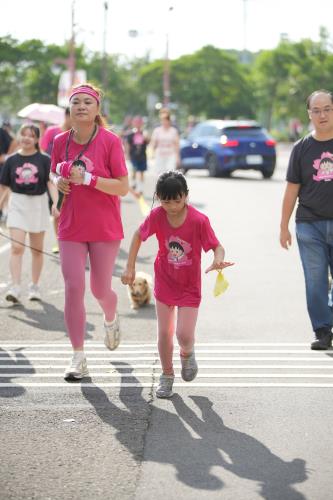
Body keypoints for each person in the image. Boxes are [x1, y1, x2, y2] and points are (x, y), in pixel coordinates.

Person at [121, 170, 233, 398]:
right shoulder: (156, 216)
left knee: (183, 334)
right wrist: (130, 267)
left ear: (186, 196)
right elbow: (137, 236)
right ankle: (167, 375)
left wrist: (218, 259)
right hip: (165, 281)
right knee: (164, 333)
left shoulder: (198, 220)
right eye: (165, 201)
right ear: (158, 197)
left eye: (177, 200)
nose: (171, 206)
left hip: (189, 286)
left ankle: (187, 353)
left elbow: (216, 246)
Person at [49, 83, 129, 381]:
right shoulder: (60, 141)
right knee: (73, 287)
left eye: (87, 102)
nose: (81, 106)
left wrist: (89, 179)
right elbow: (55, 171)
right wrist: (59, 180)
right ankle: (78, 356)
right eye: (76, 102)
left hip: (104, 226)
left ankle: (110, 317)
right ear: (69, 109)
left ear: (97, 110)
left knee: (99, 289)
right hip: (70, 224)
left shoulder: (109, 141)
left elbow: (122, 186)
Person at [280, 89, 333, 350]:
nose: (322, 115)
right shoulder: (301, 148)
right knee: (315, 281)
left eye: (327, 109)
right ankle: (322, 330)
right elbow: (292, 188)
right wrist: (283, 226)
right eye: (316, 110)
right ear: (308, 114)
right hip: (308, 224)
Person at [0, 124, 58, 303]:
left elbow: (50, 183)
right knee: (17, 248)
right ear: (19, 136)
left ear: (37, 139)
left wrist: (56, 203)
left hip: (38, 205)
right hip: (17, 203)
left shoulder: (44, 159)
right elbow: (5, 186)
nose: (26, 138)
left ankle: (34, 286)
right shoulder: (11, 160)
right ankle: (16, 287)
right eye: (23, 134)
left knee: (37, 250)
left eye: (31, 135)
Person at [40, 107, 71, 253]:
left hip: (72, 179)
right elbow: (42, 149)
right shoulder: (52, 131)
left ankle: (73, 241)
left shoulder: (79, 134)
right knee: (56, 211)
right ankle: (59, 242)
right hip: (53, 178)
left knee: (72, 212)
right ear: (66, 116)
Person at [150, 108, 180, 175]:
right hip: (160, 155)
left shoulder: (174, 131)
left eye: (166, 120)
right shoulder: (157, 131)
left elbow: (177, 144)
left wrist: (178, 157)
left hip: (171, 155)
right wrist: (152, 153)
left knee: (170, 175)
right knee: (160, 175)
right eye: (163, 120)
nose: (164, 122)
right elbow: (153, 143)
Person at [125, 115, 149, 195]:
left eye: (139, 122)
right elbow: (127, 144)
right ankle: (133, 184)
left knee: (142, 172)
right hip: (133, 156)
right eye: (136, 122)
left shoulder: (144, 133)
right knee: (134, 170)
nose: (138, 124)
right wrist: (127, 154)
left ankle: (141, 188)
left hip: (142, 155)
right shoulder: (131, 134)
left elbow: (148, 141)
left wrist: (146, 137)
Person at [0, 121, 18, 221]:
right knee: (5, 190)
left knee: (5, 190)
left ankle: (4, 212)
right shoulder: (9, 136)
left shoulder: (8, 136)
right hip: (5, 166)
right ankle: (4, 212)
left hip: (4, 167)